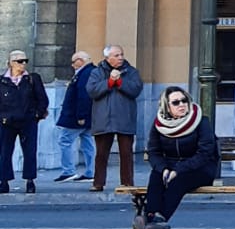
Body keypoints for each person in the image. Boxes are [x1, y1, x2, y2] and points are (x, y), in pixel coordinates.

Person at [133, 87, 220, 229]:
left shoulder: (201, 121)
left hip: (200, 168)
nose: (182, 105)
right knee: (156, 176)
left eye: (184, 100)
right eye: (176, 102)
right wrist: (164, 168)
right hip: (171, 166)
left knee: (178, 182)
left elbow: (205, 154)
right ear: (167, 106)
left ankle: (155, 222)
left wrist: (178, 170)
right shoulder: (159, 125)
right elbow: (154, 152)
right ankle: (151, 218)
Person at [87, 44, 143, 192]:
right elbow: (92, 91)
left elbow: (135, 89)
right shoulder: (97, 72)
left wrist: (120, 83)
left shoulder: (131, 72)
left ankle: (127, 182)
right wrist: (109, 83)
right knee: (101, 154)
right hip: (103, 118)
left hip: (125, 117)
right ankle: (98, 182)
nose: (121, 58)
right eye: (117, 55)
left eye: (121, 55)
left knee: (126, 152)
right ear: (108, 58)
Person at [0, 50, 48, 194]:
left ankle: (30, 181)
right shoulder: (3, 81)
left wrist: (36, 115)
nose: (23, 64)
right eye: (20, 61)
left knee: (30, 152)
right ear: (11, 63)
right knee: (4, 152)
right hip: (7, 122)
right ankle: (4, 181)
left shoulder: (32, 79)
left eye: (25, 61)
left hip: (28, 121)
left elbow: (42, 99)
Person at [54, 50, 95, 181]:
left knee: (65, 141)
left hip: (76, 117)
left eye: (73, 62)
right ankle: (90, 172)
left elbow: (83, 96)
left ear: (81, 61)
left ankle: (68, 171)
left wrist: (81, 116)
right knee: (88, 143)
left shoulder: (85, 74)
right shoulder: (90, 72)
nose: (72, 65)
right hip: (86, 116)